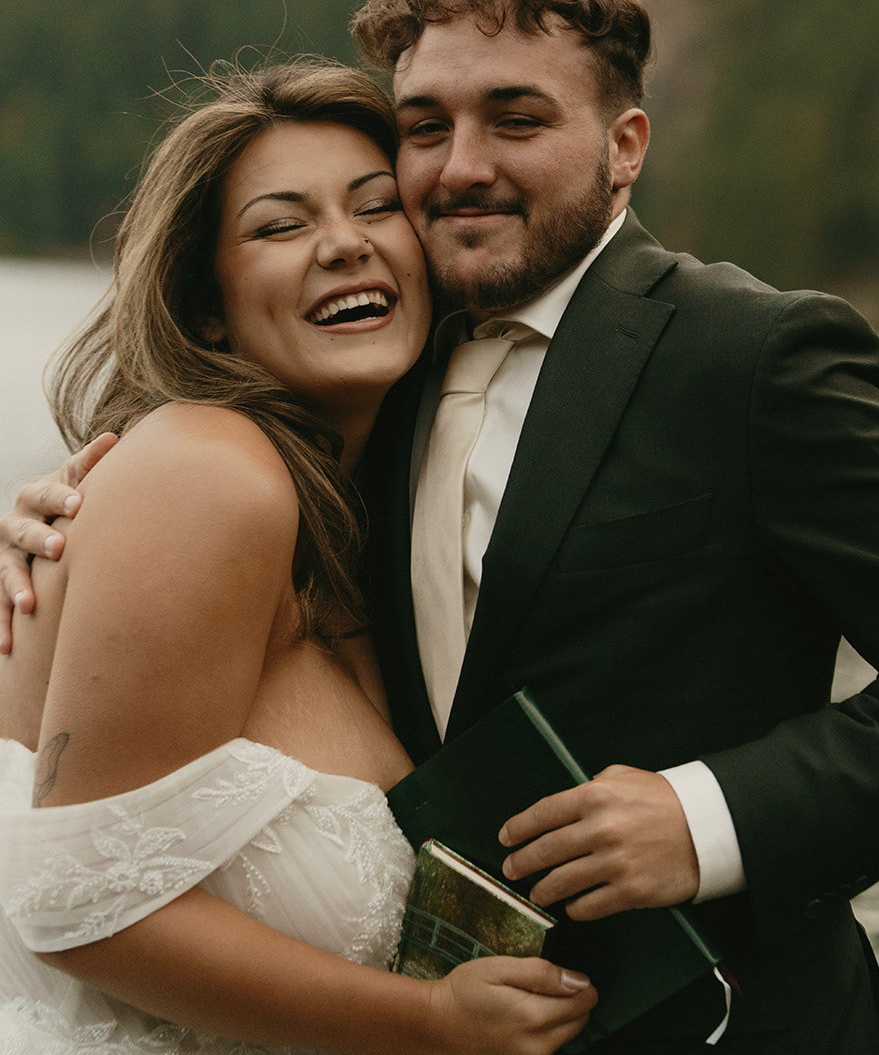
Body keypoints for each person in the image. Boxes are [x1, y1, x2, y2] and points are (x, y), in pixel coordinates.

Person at [4, 0, 879, 1052]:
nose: (462, 165)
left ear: (624, 147)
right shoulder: (378, 374)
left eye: (516, 119)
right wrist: (65, 538)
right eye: (425, 128)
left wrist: (703, 817)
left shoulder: (749, 355)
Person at [0, 59, 597, 1055]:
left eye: (375, 206)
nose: (343, 243)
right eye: (280, 225)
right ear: (205, 308)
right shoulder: (210, 470)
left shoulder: (365, 526)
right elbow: (74, 905)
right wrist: (432, 1021)